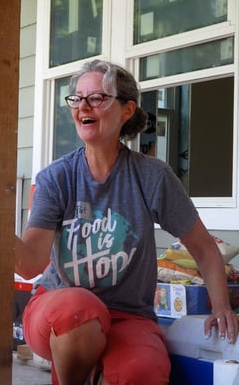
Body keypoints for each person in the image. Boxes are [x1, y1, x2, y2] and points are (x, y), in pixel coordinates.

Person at [15, 59, 238, 385]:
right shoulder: (57, 177)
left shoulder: (152, 176)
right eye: (77, 98)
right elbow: (32, 263)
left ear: (127, 109)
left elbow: (204, 248)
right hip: (58, 309)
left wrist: (222, 308)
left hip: (128, 315)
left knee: (142, 371)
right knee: (80, 308)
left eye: (97, 98)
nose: (82, 107)